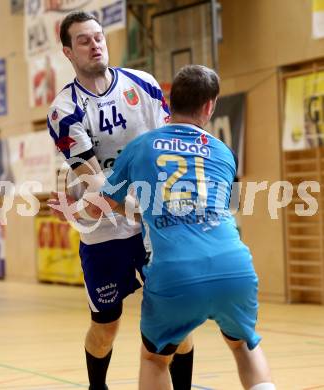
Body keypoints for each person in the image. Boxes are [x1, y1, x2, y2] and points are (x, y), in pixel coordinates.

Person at [90, 65, 276, 390]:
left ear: (168, 101)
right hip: (233, 266)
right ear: (209, 107)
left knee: (155, 359)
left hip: (175, 273)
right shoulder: (224, 152)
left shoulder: (140, 146)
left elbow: (99, 204)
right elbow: (228, 207)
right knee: (245, 347)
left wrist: (138, 212)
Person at [47, 11, 193, 390]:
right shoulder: (65, 111)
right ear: (67, 51)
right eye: (84, 40)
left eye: (98, 37)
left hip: (154, 226)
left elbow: (167, 150)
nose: (95, 44)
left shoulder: (143, 85)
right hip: (105, 231)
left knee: (176, 314)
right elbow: (96, 183)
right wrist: (138, 206)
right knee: (106, 325)